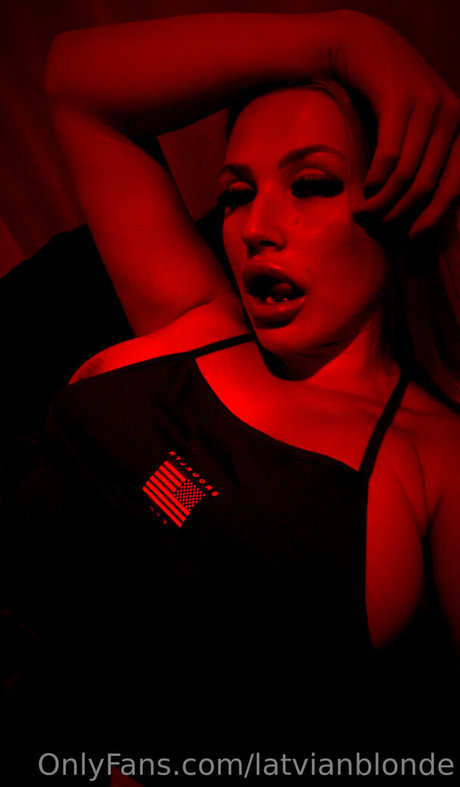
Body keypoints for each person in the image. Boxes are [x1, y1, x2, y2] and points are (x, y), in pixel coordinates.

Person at [3, 10, 460, 786]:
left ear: (400, 199)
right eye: (237, 193)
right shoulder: (197, 320)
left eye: (310, 185)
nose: (256, 227)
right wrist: (341, 38)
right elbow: (74, 82)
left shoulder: (435, 453)